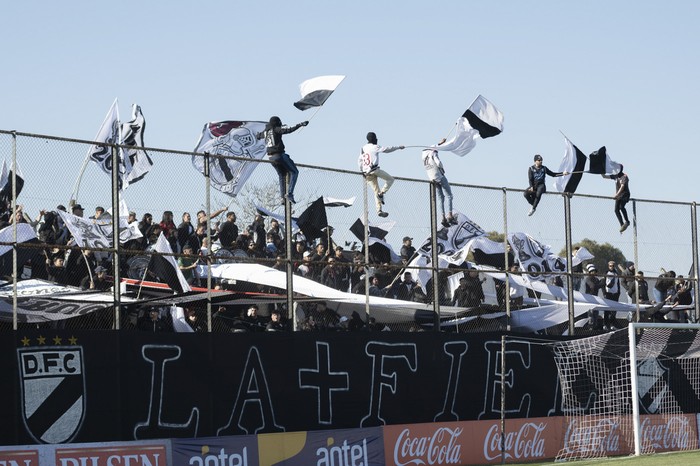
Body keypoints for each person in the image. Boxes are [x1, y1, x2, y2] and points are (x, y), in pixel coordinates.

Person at [256, 116, 308, 204]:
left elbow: (258, 136)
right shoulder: (276, 129)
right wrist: (300, 125)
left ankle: (282, 197)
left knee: (282, 175)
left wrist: (258, 135)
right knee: (294, 172)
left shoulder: (266, 131)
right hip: (279, 155)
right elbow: (288, 130)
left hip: (270, 158)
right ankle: (289, 193)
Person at [358, 132, 405, 217]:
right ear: (374, 139)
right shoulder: (374, 147)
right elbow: (387, 149)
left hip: (366, 173)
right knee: (390, 179)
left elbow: (359, 160)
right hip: (374, 170)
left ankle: (379, 210)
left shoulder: (363, 148)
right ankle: (382, 193)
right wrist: (398, 147)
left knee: (376, 191)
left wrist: (361, 171)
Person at [421, 138, 456, 227]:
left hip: (432, 178)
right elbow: (438, 162)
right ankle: (450, 215)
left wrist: (440, 143)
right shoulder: (434, 153)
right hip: (439, 176)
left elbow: (436, 146)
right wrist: (442, 169)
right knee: (449, 196)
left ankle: (443, 217)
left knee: (441, 198)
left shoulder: (424, 155)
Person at [602, 165, 631, 233]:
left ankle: (627, 221)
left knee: (621, 207)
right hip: (618, 195)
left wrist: (616, 195)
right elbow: (604, 176)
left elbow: (622, 187)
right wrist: (601, 170)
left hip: (625, 194)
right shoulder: (615, 176)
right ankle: (622, 225)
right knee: (616, 210)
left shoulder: (624, 176)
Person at [603, 260, 621, 330]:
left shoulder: (616, 273)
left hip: (615, 294)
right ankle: (605, 324)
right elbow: (603, 283)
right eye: (610, 266)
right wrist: (604, 292)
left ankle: (612, 324)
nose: (612, 267)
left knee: (614, 310)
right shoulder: (606, 273)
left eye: (613, 266)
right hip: (608, 293)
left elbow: (617, 283)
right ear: (608, 266)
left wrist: (618, 292)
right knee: (607, 310)